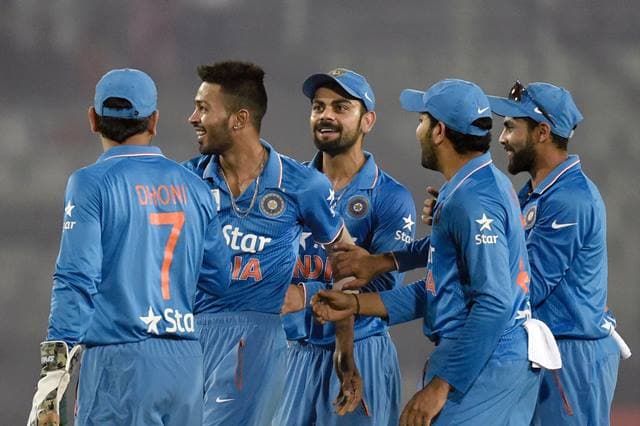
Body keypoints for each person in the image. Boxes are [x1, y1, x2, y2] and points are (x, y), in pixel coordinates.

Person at [313, 79, 542, 425]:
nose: (417, 130)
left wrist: (440, 386)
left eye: (421, 120)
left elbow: (494, 303)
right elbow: (440, 287)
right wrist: (360, 298)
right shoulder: (475, 184)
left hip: (486, 360)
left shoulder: (472, 200)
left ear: (439, 131)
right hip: (488, 356)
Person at [27, 68, 231, 426]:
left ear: (93, 120)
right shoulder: (196, 187)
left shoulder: (89, 184)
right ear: (154, 121)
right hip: (185, 365)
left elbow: (76, 279)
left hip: (119, 364)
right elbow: (218, 279)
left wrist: (52, 378)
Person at [183, 60, 360, 425]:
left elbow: (350, 263)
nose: (192, 118)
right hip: (185, 334)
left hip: (254, 341)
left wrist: (314, 299)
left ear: (239, 119)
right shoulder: (185, 180)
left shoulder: (302, 185)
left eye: (203, 108)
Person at [275, 68, 416, 425]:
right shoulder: (288, 188)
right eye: (318, 106)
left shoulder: (390, 197)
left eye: (341, 107)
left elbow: (382, 288)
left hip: (362, 351)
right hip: (297, 353)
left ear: (367, 121)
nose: (326, 115)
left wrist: (306, 295)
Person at [489, 81, 623, 425]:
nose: (501, 138)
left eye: (510, 127)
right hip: (543, 349)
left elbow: (528, 284)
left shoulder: (569, 199)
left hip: (570, 355)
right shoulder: (533, 193)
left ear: (542, 132)